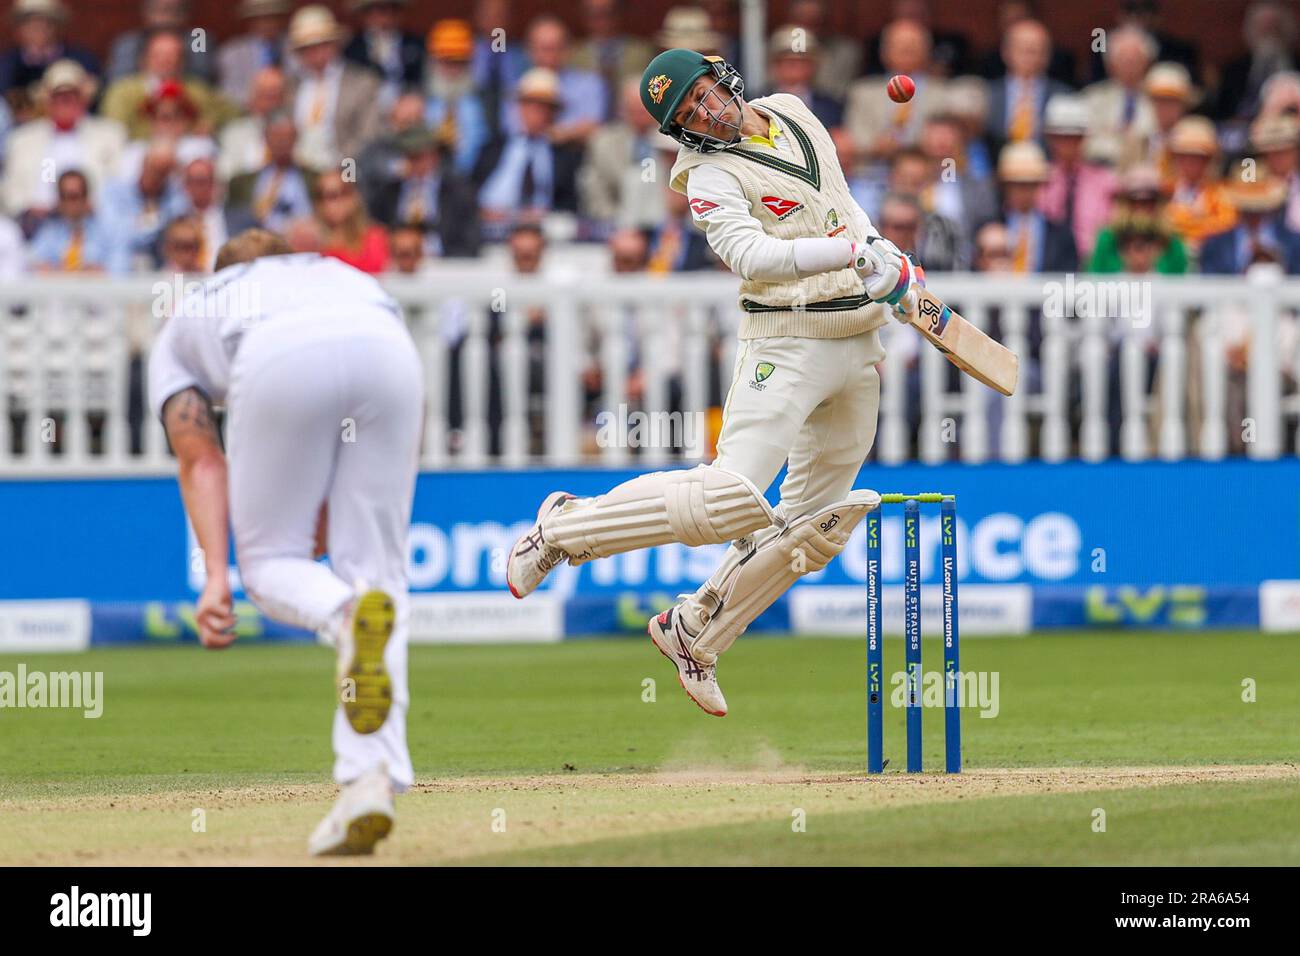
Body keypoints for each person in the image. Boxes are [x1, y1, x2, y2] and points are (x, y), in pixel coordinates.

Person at [507, 49, 919, 715]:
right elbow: (753, 255)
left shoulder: (794, 113)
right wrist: (852, 254)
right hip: (785, 345)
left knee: (810, 531)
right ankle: (561, 530)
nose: (703, 112)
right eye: (686, 115)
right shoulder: (704, 176)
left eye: (702, 94)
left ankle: (696, 631)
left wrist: (890, 262)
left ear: (722, 76)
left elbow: (845, 211)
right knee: (730, 497)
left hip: (857, 345)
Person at [146, 231, 423, 855]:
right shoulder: (338, 273)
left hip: (279, 357)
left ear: (221, 274)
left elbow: (202, 461)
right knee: (378, 576)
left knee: (271, 567)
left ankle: (343, 617)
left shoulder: (193, 313)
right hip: (388, 347)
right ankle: (368, 782)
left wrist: (218, 575)